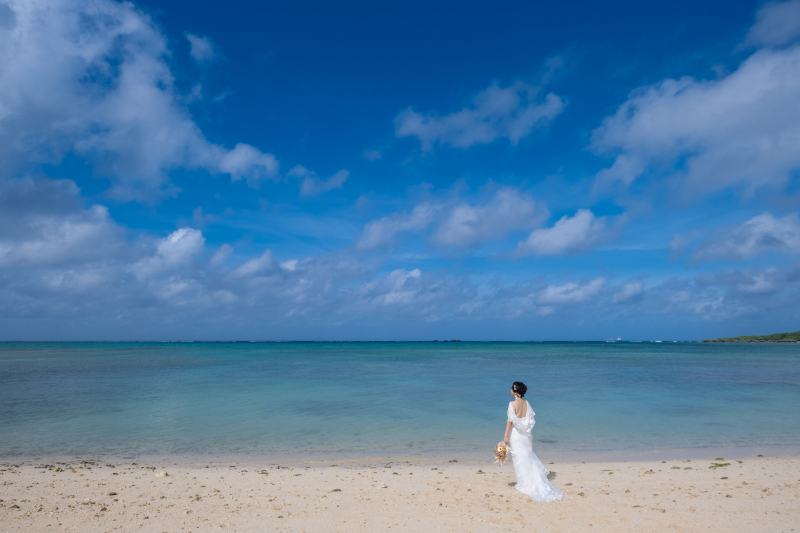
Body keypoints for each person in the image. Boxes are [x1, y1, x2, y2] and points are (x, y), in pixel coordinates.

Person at [502, 381, 563, 502]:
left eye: (511, 388)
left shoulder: (512, 404)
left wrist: (505, 435)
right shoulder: (526, 403)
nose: (510, 390)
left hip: (516, 436)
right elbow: (530, 420)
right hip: (526, 436)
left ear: (515, 391)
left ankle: (524, 483)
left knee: (519, 459)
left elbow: (510, 421)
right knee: (528, 457)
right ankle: (529, 481)